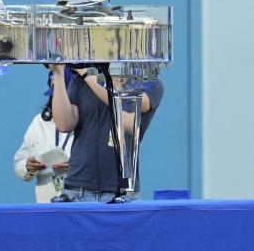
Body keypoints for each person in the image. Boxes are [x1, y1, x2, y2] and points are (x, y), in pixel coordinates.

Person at [49, 64, 164, 202]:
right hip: (77, 187)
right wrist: (59, 73)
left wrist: (88, 76)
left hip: (120, 191)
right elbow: (64, 124)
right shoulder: (80, 81)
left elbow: (128, 123)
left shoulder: (149, 83)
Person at [13, 68, 74, 203]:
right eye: (54, 95)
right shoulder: (38, 123)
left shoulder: (87, 123)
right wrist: (28, 167)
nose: (56, 100)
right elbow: (19, 162)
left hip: (78, 199)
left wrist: (76, 166)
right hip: (45, 200)